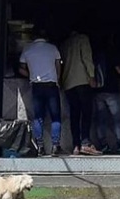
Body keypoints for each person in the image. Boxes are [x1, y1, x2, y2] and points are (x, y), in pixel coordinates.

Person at [19, 27, 62, 157]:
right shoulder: (53, 48)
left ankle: (40, 146)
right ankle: (55, 146)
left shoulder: (28, 49)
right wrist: (57, 79)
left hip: (37, 86)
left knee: (38, 117)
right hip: (51, 85)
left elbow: (21, 68)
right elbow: (58, 65)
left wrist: (31, 75)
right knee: (55, 117)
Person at [60, 28, 101, 155]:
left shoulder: (64, 43)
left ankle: (76, 145)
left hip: (68, 82)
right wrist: (92, 76)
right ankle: (85, 143)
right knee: (86, 112)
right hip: (82, 80)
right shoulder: (83, 39)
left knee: (74, 114)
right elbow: (87, 58)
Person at [93, 36, 120, 154]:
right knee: (117, 119)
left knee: (101, 119)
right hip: (111, 90)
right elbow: (119, 70)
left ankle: (103, 144)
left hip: (98, 90)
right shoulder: (113, 52)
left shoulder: (96, 54)